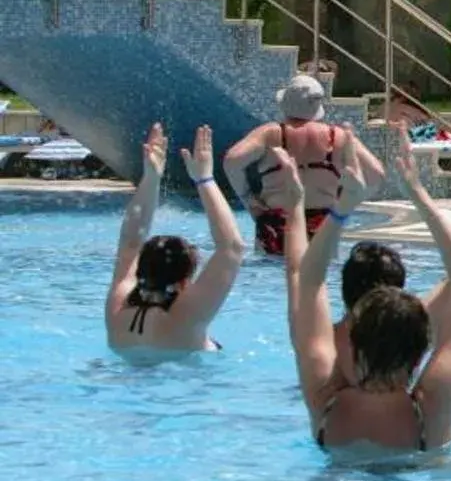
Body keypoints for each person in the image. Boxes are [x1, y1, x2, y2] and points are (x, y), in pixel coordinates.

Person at [280, 141, 451, 454]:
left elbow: (306, 280)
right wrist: (419, 195)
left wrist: (343, 208)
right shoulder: (434, 408)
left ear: (353, 342)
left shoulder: (324, 398)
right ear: (419, 352)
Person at [107, 124, 245, 354]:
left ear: (140, 269)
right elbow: (232, 247)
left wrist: (151, 178)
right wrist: (204, 179)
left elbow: (131, 241)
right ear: (183, 282)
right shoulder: (188, 315)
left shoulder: (117, 308)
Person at [223, 74, 386, 255]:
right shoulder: (339, 136)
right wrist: (347, 204)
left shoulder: (270, 133)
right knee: (318, 278)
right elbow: (376, 174)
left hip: (277, 221)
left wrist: (248, 199)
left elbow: (232, 161)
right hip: (323, 223)